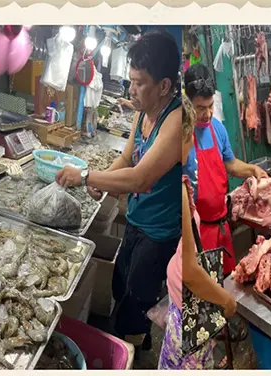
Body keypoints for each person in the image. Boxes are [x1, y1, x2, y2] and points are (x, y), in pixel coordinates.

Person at [56, 30, 182, 352]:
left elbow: (140, 179)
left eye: (139, 82)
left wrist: (87, 177)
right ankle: (125, 337)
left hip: (159, 232)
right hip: (138, 221)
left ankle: (132, 352)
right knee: (121, 284)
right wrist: (102, 180)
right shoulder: (143, 110)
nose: (131, 89)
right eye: (130, 80)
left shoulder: (176, 120)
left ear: (164, 86)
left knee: (138, 299)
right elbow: (127, 157)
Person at [158, 94, 237, 370]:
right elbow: (191, 272)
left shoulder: (173, 178)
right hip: (186, 312)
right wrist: (226, 300)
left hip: (179, 302)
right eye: (190, 134)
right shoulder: (180, 190)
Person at [182, 63, 267, 278]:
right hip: (196, 233)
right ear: (187, 103)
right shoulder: (182, 137)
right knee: (204, 296)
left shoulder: (217, 128)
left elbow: (230, 164)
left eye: (210, 106)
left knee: (226, 282)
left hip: (221, 226)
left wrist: (252, 169)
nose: (208, 113)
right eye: (201, 108)